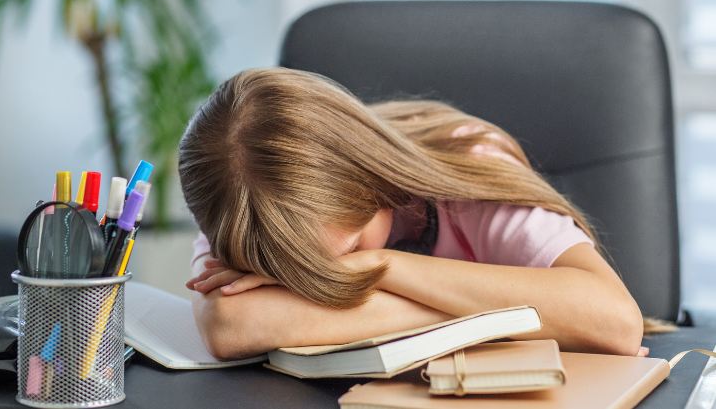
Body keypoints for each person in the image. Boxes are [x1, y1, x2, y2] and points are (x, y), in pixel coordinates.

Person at [180, 67, 644, 361]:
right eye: (303, 276)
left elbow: (617, 322)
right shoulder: (244, 193)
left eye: (350, 251)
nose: (331, 277)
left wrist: (382, 268)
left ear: (375, 179)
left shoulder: (471, 168)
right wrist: (482, 316)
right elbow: (229, 327)